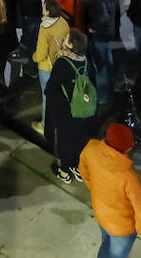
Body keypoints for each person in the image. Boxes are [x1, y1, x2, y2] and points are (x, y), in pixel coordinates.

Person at [77, 123, 141, 258]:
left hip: (101, 214)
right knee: (117, 254)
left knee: (106, 242)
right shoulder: (128, 176)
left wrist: (94, 188)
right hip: (122, 228)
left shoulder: (91, 148)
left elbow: (83, 169)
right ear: (126, 150)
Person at [44, 29, 94, 183]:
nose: (64, 39)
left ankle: (64, 171)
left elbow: (51, 87)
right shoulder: (87, 62)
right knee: (80, 137)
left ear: (71, 45)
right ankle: (78, 168)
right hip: (83, 108)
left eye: (67, 39)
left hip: (65, 109)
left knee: (65, 140)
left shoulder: (63, 63)